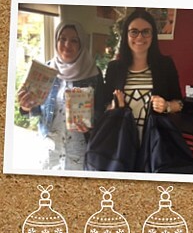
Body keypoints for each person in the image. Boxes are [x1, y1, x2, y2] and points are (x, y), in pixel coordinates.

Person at [17, 20, 104, 170]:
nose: (67, 44)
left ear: (81, 44)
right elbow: (36, 109)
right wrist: (25, 107)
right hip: (49, 147)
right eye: (62, 39)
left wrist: (90, 125)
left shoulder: (93, 73)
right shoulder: (45, 71)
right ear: (56, 40)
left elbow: (101, 109)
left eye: (74, 40)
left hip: (79, 150)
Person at [102, 9, 183, 141]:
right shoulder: (114, 68)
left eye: (146, 32)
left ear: (153, 35)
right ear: (126, 35)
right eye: (134, 31)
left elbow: (180, 103)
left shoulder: (165, 65)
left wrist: (167, 106)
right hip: (122, 142)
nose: (139, 37)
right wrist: (114, 107)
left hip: (155, 144)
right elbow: (104, 105)